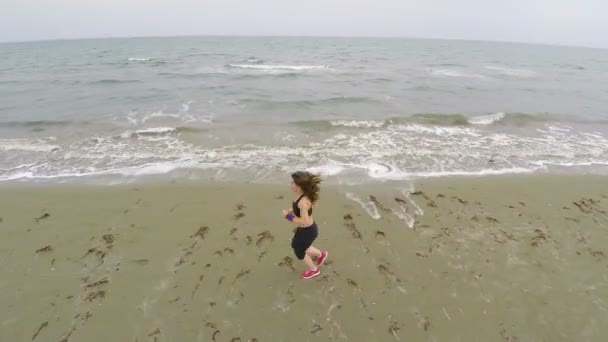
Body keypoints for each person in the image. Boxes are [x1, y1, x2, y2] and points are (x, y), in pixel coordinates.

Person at [282, 171, 329, 279]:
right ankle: (320, 255)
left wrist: (288, 217)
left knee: (299, 251)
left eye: (293, 182)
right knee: (298, 245)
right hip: (306, 230)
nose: (290, 184)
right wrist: (293, 211)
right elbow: (302, 210)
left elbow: (305, 221)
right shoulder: (301, 196)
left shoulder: (303, 202)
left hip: (308, 230)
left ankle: (314, 270)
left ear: (299, 187)